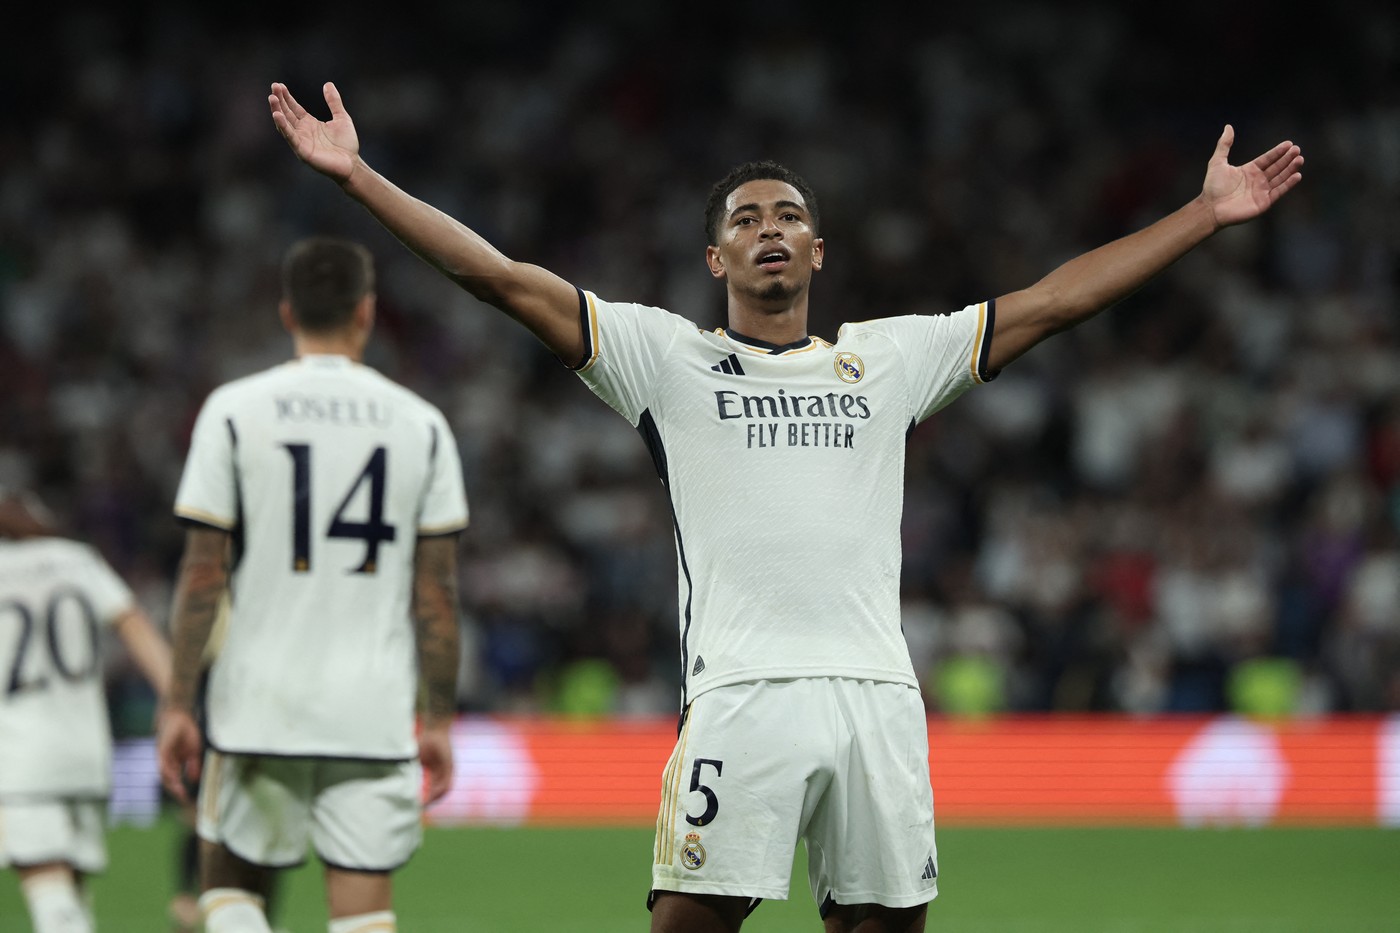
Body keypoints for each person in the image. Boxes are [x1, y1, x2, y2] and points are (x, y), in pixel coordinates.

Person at [268, 80, 1303, 933]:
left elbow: (1054, 300)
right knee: (686, 924)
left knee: (880, 929)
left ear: (817, 254)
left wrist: (1202, 216)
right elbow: (499, 278)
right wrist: (359, 177)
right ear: (717, 259)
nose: (770, 230)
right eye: (745, 221)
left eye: (789, 217)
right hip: (743, 693)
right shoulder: (664, 358)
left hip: (876, 697)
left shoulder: (887, 358)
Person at [155, 236, 469, 933]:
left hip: (257, 701)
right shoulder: (422, 424)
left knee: (229, 887)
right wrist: (439, 718)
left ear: (287, 311)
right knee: (364, 914)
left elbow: (204, 570)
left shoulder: (234, 410)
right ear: (367, 311)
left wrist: (178, 700)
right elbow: (437, 594)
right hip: (372, 705)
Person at [0, 487, 172, 933]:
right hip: (86, 751)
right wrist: (179, 701)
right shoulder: (77, 560)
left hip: (20, 756)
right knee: (72, 891)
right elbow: (133, 623)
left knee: (49, 893)